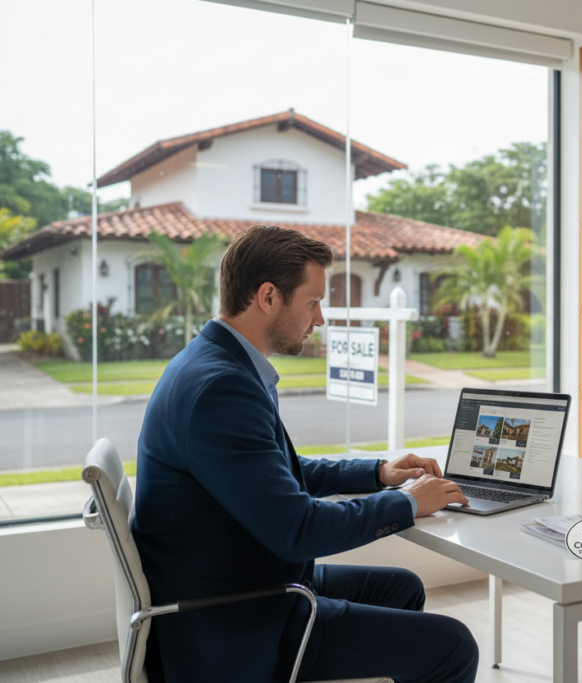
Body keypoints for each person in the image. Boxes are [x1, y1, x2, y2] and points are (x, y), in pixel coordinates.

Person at [133, 225, 477, 683]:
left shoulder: (216, 363)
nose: (320, 320)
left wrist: (378, 473)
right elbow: (298, 529)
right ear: (268, 297)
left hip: (237, 577)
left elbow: (274, 474)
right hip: (235, 619)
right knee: (452, 647)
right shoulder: (221, 388)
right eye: (313, 302)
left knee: (402, 586)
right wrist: (411, 502)